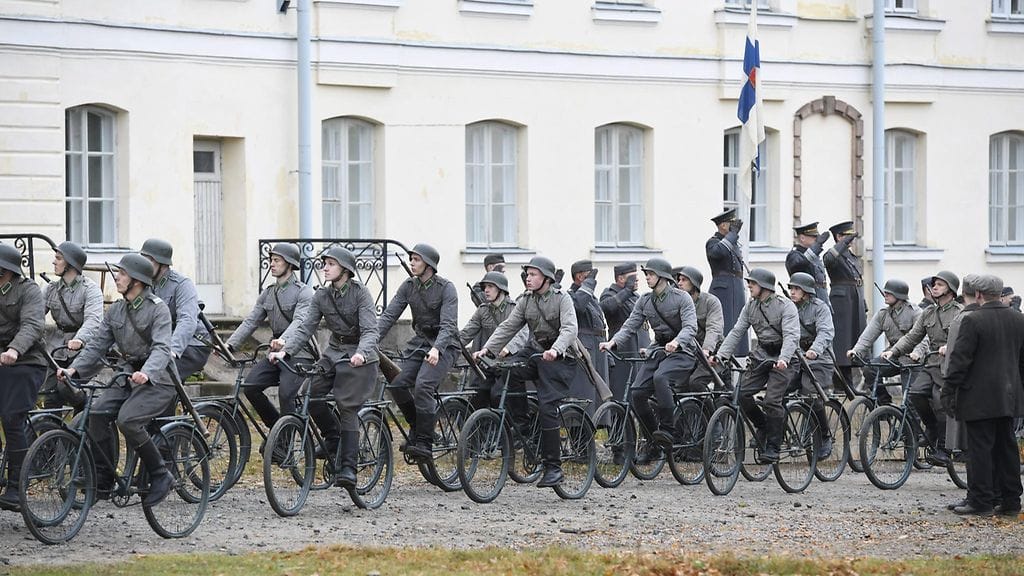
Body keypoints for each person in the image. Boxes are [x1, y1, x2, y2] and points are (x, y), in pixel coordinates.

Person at [57, 253, 178, 506]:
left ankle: (160, 474)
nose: (117, 278)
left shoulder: (158, 309)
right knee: (96, 414)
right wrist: (74, 370)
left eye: (122, 274)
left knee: (128, 420)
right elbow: (97, 346)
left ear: (137, 280)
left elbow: (161, 349)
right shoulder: (117, 310)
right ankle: (103, 477)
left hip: (158, 380)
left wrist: (147, 372)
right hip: (126, 376)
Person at [273, 245, 379, 487]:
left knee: (347, 406)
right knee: (309, 393)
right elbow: (306, 326)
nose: (325, 268)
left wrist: (361, 354)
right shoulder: (321, 295)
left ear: (345, 269)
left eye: (331, 264)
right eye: (324, 264)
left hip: (360, 356)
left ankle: (349, 469)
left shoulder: (361, 293)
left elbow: (371, 330)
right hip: (333, 353)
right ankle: (332, 437)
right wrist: (286, 350)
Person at [475, 256, 578, 488]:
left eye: (533, 274)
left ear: (546, 278)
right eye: (528, 274)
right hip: (535, 352)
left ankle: (554, 467)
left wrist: (556, 349)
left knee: (547, 407)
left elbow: (570, 330)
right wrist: (487, 349)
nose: (528, 278)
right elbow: (508, 326)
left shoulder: (563, 299)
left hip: (560, 358)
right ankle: (522, 424)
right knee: (505, 371)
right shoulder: (526, 300)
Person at [599, 258, 697, 457]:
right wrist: (613, 342)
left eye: (650, 274)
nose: (647, 278)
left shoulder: (681, 298)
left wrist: (677, 342)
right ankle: (654, 439)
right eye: (646, 275)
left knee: (660, 378)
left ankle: (668, 430)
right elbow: (630, 324)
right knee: (637, 392)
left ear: (662, 277)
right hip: (659, 350)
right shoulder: (645, 300)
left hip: (682, 351)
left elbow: (690, 327)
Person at [943, 274, 1024, 517]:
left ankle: (981, 500)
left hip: (978, 396)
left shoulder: (973, 320)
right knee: (1006, 447)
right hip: (1009, 395)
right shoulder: (1018, 319)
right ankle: (1010, 500)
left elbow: (960, 361)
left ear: (978, 294)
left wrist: (949, 390)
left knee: (979, 450)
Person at [377, 243, 459, 462]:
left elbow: (449, 325)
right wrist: (369, 339)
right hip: (421, 342)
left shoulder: (446, 288)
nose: (412, 263)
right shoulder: (409, 286)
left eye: (416, 259)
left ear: (429, 265)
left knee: (423, 385)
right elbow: (389, 315)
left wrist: (436, 349)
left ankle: (425, 442)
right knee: (397, 384)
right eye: (411, 259)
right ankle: (418, 428)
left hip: (445, 345)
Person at [712, 268, 800, 464]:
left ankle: (773, 448)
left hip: (784, 359)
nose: (749, 286)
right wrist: (721, 356)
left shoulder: (785, 306)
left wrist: (784, 358)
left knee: (772, 400)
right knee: (741, 394)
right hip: (762, 356)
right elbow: (737, 331)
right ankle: (762, 425)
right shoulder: (750, 306)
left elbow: (792, 336)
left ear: (765, 286)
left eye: (753, 283)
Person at [224, 243, 314, 432]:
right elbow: (250, 322)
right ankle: (277, 431)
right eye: (271, 260)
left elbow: (299, 321)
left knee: (286, 393)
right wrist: (229, 345)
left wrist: (284, 341)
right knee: (250, 387)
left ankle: (287, 441)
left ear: (289, 264)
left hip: (299, 352)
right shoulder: (268, 293)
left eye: (276, 261)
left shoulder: (303, 291)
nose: (271, 264)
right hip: (275, 352)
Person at [883, 270, 964, 466]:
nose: (934, 287)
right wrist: (893, 351)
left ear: (951, 290)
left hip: (950, 366)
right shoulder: (929, 312)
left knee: (940, 401)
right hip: (932, 363)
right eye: (934, 284)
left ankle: (945, 449)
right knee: (914, 393)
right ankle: (932, 428)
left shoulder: (960, 312)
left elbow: (965, 339)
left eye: (940, 285)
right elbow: (913, 337)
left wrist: (950, 346)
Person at [0, 243, 48, 512]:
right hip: (2, 361)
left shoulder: (28, 290)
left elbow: (32, 325)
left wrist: (14, 349)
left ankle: (17, 487)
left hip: (27, 362)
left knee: (12, 418)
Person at [458, 270, 529, 427]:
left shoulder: (514, 308)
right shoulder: (483, 310)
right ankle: (481, 435)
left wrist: (508, 348)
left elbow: (523, 333)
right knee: (477, 393)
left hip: (510, 362)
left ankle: (515, 428)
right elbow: (466, 333)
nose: (486, 291)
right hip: (489, 362)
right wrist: (447, 344)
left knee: (498, 394)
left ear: (501, 289)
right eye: (484, 287)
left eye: (490, 286)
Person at [39, 241, 103, 411]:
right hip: (58, 348)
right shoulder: (51, 289)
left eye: (58, 258)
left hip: (84, 350)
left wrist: (80, 339)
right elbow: (35, 315)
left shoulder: (90, 289)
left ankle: (86, 409)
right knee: (51, 395)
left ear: (70, 264)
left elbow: (94, 320)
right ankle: (50, 435)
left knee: (65, 387)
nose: (54, 262)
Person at [140, 238, 211, 380]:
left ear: (162, 263)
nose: (144, 266)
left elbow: (187, 320)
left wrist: (172, 350)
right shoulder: (147, 285)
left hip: (193, 345)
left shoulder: (182, 284)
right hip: (163, 343)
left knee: (159, 378)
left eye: (148, 261)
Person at [847, 279, 923, 405]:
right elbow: (867, 336)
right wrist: (856, 350)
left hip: (912, 358)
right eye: (885, 292)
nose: (885, 294)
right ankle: (884, 404)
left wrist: (917, 352)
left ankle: (909, 423)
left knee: (909, 400)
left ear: (900, 296)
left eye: (889, 293)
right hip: (893, 355)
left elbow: (923, 337)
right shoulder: (883, 314)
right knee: (869, 369)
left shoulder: (915, 312)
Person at [786, 272, 835, 459]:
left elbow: (825, 332)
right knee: (777, 391)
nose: (792, 292)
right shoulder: (788, 308)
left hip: (820, 359)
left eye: (796, 288)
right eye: (791, 288)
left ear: (806, 291)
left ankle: (824, 435)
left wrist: (814, 350)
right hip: (797, 357)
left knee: (812, 396)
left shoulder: (819, 308)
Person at [823, 221, 867, 387]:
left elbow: (858, 281)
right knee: (842, 342)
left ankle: (854, 381)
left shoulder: (852, 257)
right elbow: (827, 260)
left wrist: (863, 302)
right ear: (839, 237)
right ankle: (842, 384)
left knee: (857, 340)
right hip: (842, 303)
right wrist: (843, 242)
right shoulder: (834, 254)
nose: (851, 240)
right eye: (847, 237)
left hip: (854, 302)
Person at [673, 265, 727, 392]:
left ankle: (708, 409)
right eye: (679, 280)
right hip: (691, 350)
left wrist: (707, 349)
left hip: (713, 351)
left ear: (694, 283)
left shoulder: (710, 302)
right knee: (678, 384)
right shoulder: (678, 303)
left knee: (696, 382)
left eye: (684, 280)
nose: (679, 283)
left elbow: (714, 328)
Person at [600, 263, 647, 400]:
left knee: (641, 393)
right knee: (622, 393)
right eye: (632, 278)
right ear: (621, 279)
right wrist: (627, 291)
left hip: (640, 351)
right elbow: (607, 307)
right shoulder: (609, 293)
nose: (637, 281)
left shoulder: (636, 296)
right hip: (623, 351)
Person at [706, 208, 748, 356]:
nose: (734, 226)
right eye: (731, 223)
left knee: (738, 324)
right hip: (723, 290)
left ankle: (737, 356)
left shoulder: (732, 243)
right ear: (723, 225)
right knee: (726, 325)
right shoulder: (713, 242)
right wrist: (732, 235)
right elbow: (718, 253)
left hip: (735, 288)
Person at [568, 260, 607, 407]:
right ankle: (582, 426)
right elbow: (579, 306)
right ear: (580, 277)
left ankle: (598, 423)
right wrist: (589, 284)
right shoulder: (571, 295)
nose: (593, 279)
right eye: (588, 275)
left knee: (599, 394)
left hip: (598, 348)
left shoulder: (590, 296)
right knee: (586, 390)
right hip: (585, 349)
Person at [785, 222, 830, 303]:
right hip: (807, 300)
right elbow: (800, 264)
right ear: (802, 238)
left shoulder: (814, 255)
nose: (816, 239)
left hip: (821, 297)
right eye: (814, 237)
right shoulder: (794, 255)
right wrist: (817, 245)